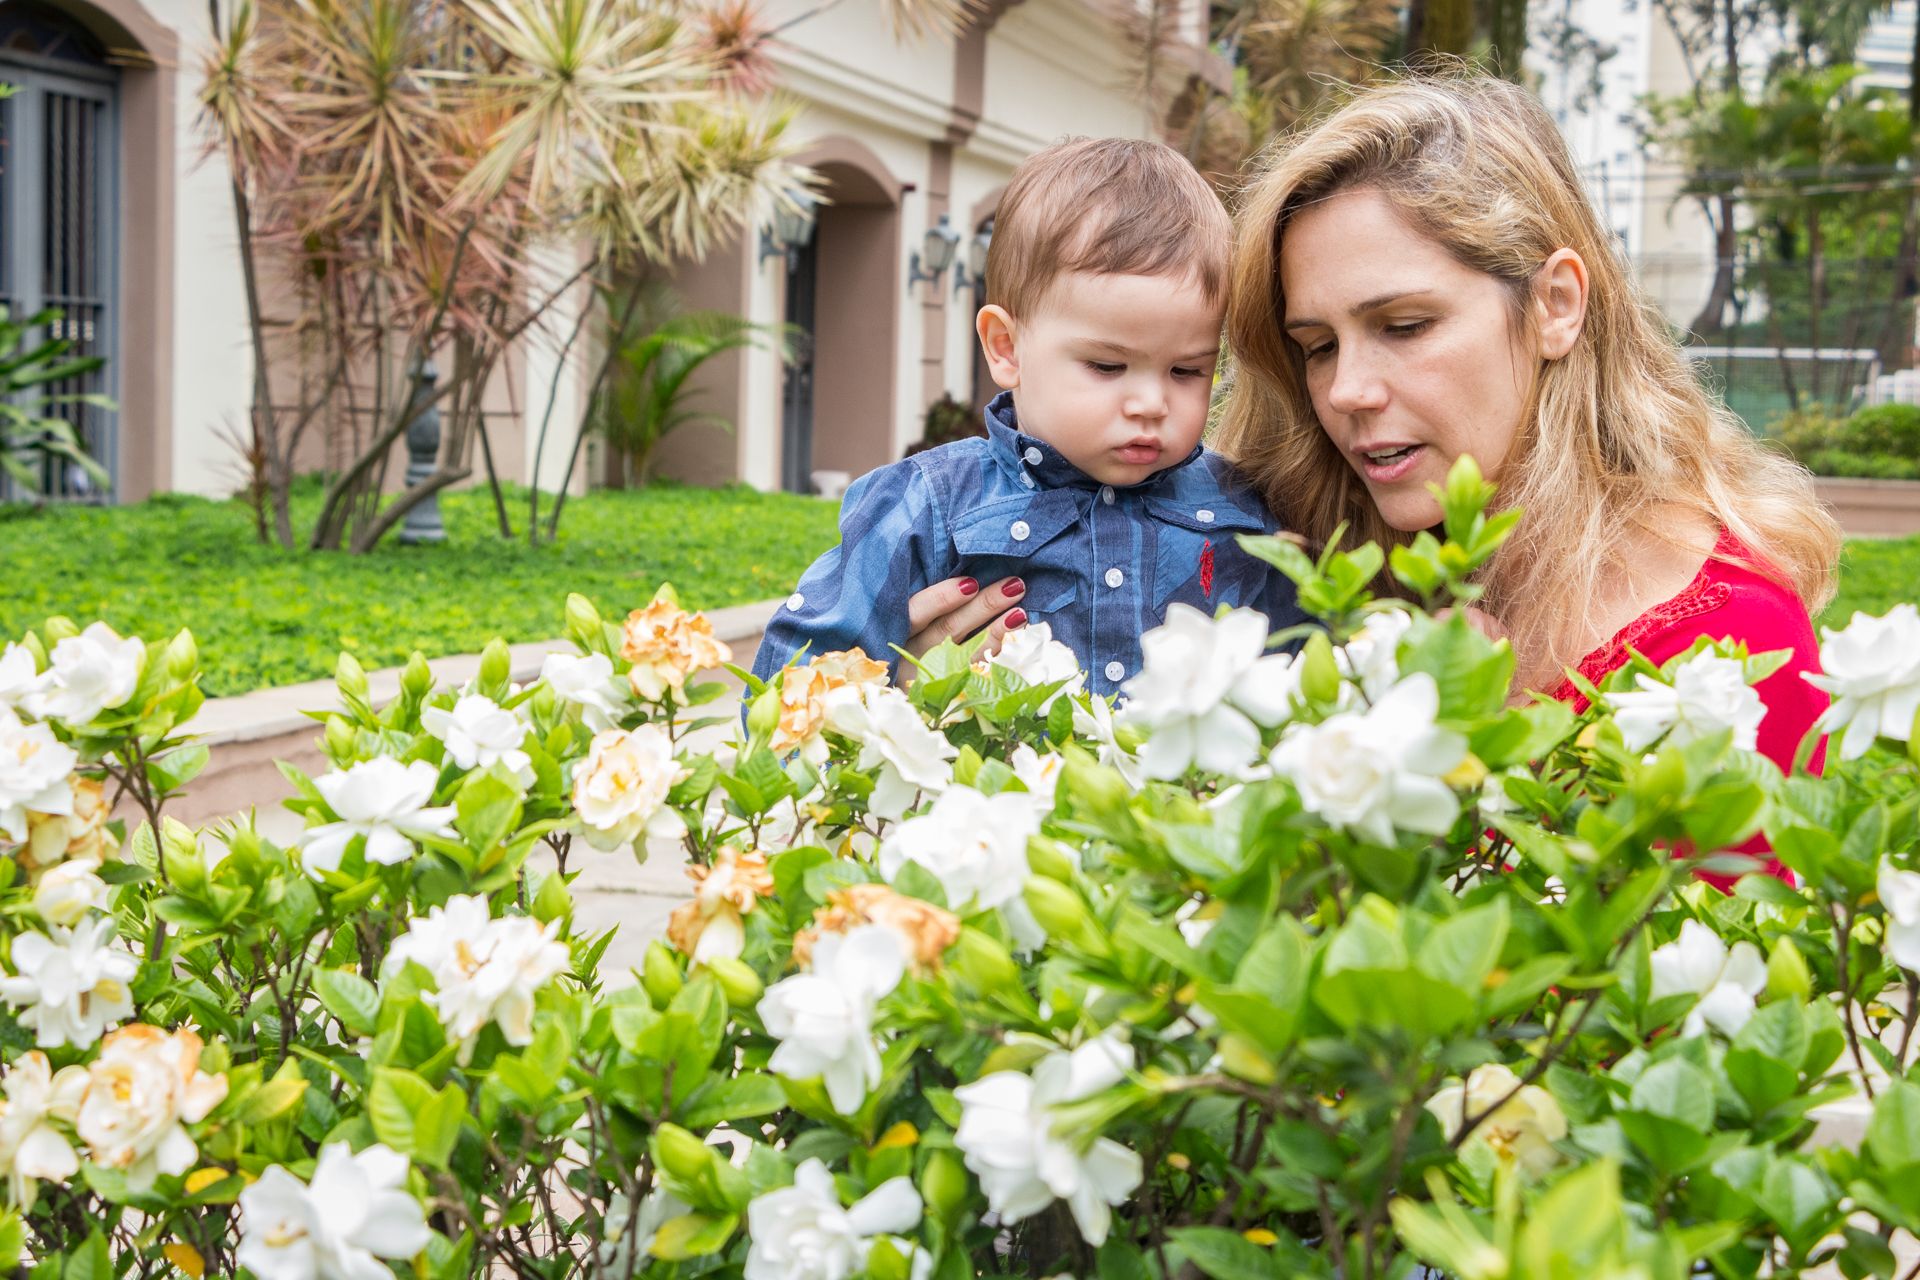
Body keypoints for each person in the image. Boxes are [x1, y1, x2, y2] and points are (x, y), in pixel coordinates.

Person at [752, 137, 1306, 697]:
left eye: (1186, 371)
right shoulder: (929, 507)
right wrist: (886, 703)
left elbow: (1300, 685)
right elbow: (789, 689)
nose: (1151, 403)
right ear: (1006, 348)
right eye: (1108, 365)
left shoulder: (1242, 513)